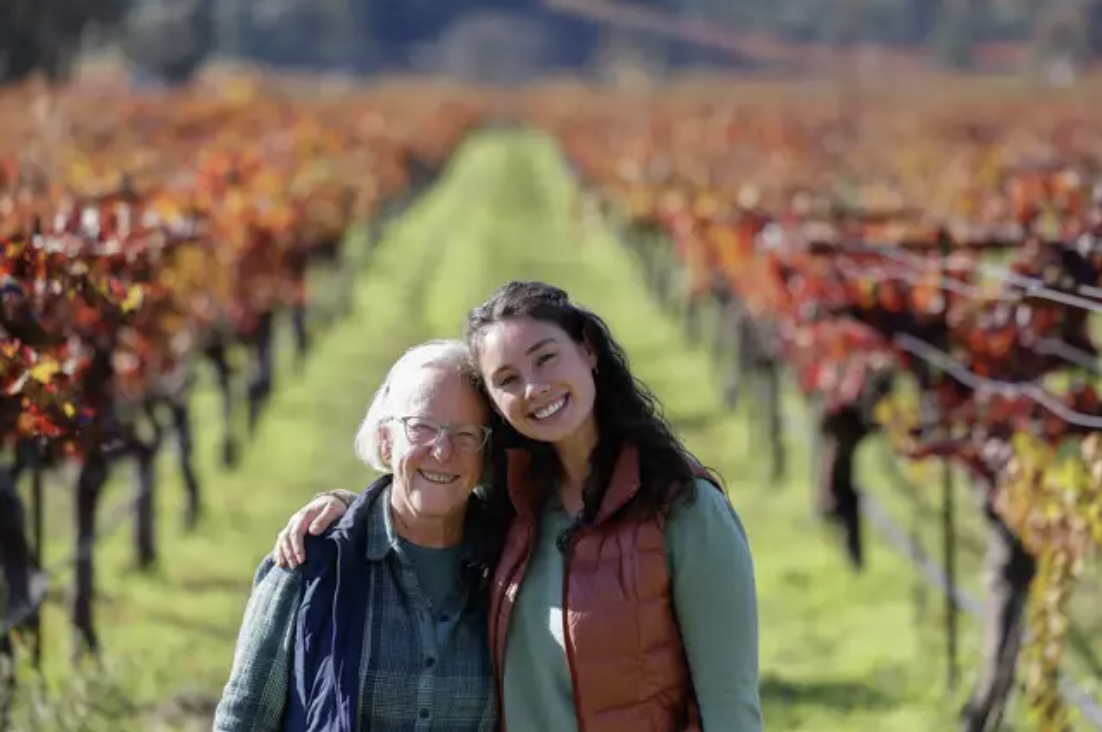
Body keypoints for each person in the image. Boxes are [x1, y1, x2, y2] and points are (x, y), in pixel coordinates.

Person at [273, 281, 764, 732]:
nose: (533, 387)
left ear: (588, 349)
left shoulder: (685, 510)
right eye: (507, 379)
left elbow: (730, 706)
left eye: (545, 358)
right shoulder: (510, 511)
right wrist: (342, 510)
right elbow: (424, 493)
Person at [214, 340, 499, 732]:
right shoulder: (312, 559)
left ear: (485, 452)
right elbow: (243, 717)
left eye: (465, 434)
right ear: (386, 439)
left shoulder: (508, 564)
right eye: (420, 427)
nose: (441, 450)